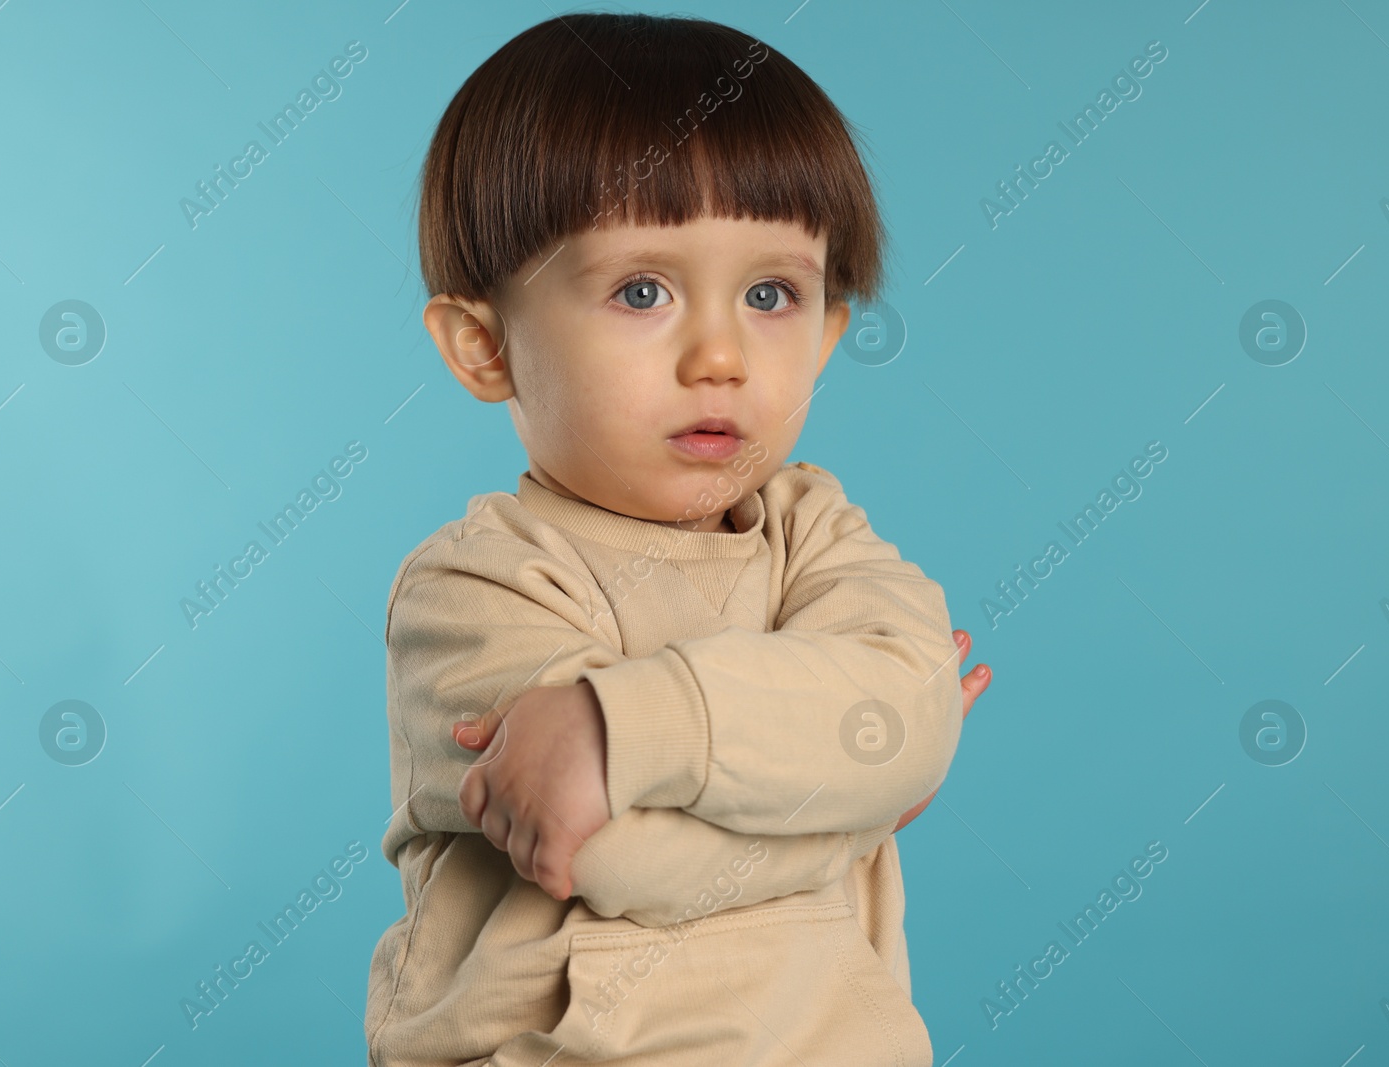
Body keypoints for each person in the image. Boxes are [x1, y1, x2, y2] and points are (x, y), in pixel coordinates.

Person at [365, 12, 992, 1065]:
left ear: (830, 334)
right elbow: (610, 853)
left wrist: (622, 730)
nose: (720, 353)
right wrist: (858, 798)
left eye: (770, 293)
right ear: (484, 347)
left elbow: (906, 700)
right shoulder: (478, 588)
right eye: (641, 290)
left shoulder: (816, 532)